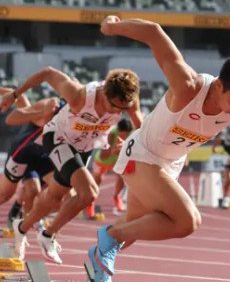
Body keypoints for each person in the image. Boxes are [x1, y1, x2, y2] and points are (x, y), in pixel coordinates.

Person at [88, 16, 230, 282]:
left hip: (170, 163)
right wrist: (112, 27)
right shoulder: (188, 86)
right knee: (187, 221)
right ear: (219, 85)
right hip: (143, 153)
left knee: (133, 228)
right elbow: (154, 32)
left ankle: (98, 266)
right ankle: (109, 237)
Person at [0, 66, 142, 264]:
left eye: (123, 109)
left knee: (55, 197)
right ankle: (48, 235)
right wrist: (15, 94)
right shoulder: (79, 95)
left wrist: (127, 144)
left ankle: (21, 227)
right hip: (58, 139)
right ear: (105, 93)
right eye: (114, 106)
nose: (119, 111)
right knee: (89, 193)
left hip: (84, 147)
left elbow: (140, 127)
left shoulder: (129, 101)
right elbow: (48, 73)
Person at [0, 88, 62, 228]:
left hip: (44, 157)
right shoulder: (48, 107)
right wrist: (42, 113)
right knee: (7, 194)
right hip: (23, 153)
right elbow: (18, 100)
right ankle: (22, 217)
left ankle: (24, 220)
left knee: (62, 195)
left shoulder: (81, 119)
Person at [89, 118, 134, 216]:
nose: (124, 137)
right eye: (122, 134)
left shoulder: (132, 133)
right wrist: (114, 150)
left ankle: (117, 196)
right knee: (97, 180)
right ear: (118, 130)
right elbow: (103, 155)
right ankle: (90, 202)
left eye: (126, 134)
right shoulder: (111, 134)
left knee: (122, 177)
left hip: (116, 159)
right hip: (103, 160)